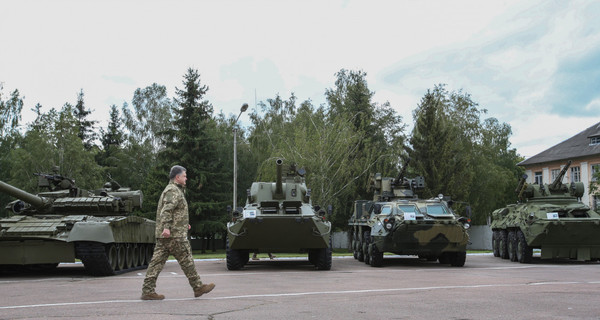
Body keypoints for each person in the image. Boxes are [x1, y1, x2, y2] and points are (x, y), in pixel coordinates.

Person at [141, 165, 215, 300]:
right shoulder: (173, 190)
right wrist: (167, 227)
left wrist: (183, 223)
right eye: (185, 176)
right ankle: (198, 287)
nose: (186, 178)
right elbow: (167, 210)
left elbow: (175, 212)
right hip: (174, 236)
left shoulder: (175, 190)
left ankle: (147, 290)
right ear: (177, 177)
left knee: (156, 263)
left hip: (169, 234)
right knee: (187, 260)